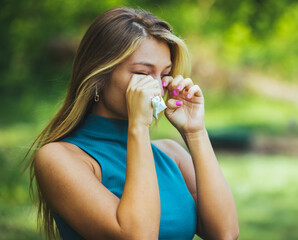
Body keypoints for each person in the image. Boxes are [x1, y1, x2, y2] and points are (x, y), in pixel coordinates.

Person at [25, 7, 239, 240]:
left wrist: (195, 132)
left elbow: (224, 234)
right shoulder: (60, 158)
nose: (157, 88)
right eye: (142, 73)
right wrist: (138, 126)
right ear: (99, 76)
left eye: (163, 74)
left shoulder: (171, 155)